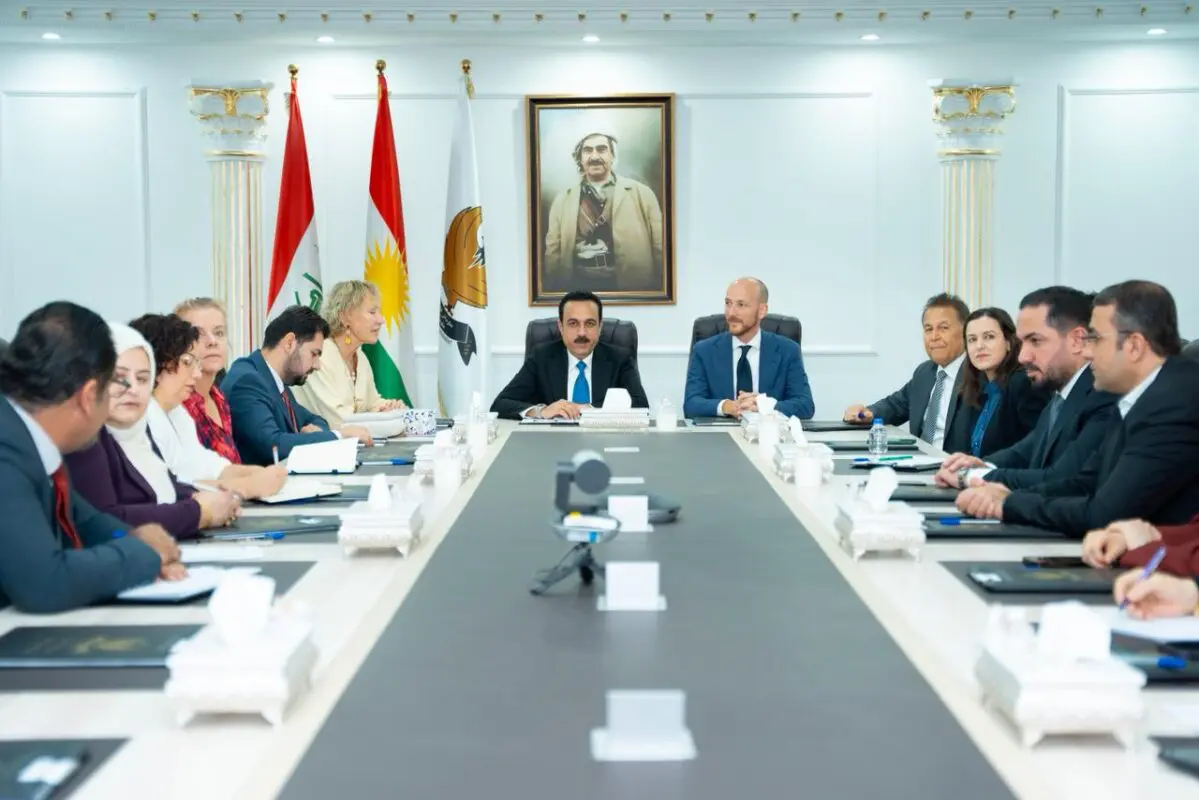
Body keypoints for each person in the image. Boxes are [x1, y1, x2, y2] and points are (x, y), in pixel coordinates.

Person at [956, 280, 1199, 536]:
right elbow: (1084, 482)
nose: (1088, 352)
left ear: (1134, 346)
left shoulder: (1173, 405)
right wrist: (1005, 496)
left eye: (1095, 339)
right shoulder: (1138, 397)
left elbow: (1104, 513)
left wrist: (1008, 504)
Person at [0, 302, 182, 612]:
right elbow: (46, 583)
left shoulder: (32, 438)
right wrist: (143, 555)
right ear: (88, 397)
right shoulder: (7, 450)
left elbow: (86, 519)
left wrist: (131, 537)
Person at [64, 323, 241, 540]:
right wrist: (200, 512)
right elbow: (107, 521)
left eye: (142, 379)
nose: (133, 389)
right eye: (119, 377)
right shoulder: (84, 440)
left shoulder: (137, 430)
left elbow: (164, 485)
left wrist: (210, 499)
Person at [936, 287, 1118, 491]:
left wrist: (972, 477)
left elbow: (1063, 479)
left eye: (1035, 341)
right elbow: (1027, 449)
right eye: (1022, 342)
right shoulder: (1061, 395)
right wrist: (983, 464)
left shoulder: (1102, 395)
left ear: (1077, 340)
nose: (1023, 357)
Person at [132, 313, 286, 499]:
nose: (197, 374)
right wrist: (247, 486)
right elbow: (175, 490)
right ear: (159, 362)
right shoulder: (141, 420)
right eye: (187, 362)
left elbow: (207, 465)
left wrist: (257, 473)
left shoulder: (177, 412)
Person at [222, 305, 373, 465]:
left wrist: (316, 433)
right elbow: (273, 445)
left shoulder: (275, 380)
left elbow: (315, 419)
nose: (317, 366)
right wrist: (339, 436)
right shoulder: (247, 381)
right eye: (314, 354)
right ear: (289, 343)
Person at [843, 293, 971, 452]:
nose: (934, 337)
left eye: (943, 328)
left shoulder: (978, 376)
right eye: (928, 329)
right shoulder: (925, 372)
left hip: (955, 463)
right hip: (919, 459)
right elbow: (895, 405)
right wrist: (866, 413)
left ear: (966, 332)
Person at [491, 290, 648, 420]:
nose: (582, 333)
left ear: (600, 327)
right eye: (573, 323)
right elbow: (501, 404)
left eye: (590, 323)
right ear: (561, 327)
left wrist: (587, 409)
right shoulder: (541, 357)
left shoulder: (619, 358)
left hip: (603, 439)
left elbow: (641, 406)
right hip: (554, 441)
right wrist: (541, 411)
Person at [543, 132, 664, 293]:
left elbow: (660, 247)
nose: (594, 156)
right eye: (587, 150)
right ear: (580, 158)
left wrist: (660, 289)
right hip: (577, 288)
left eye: (601, 149)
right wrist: (551, 290)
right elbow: (553, 252)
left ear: (612, 156)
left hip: (631, 286)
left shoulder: (642, 194)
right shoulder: (562, 199)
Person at [683, 278, 815, 420]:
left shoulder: (788, 350)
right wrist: (726, 406)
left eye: (741, 305)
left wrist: (763, 405)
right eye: (728, 303)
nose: (731, 313)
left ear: (762, 310)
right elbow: (691, 405)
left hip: (768, 431)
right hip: (721, 433)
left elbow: (805, 405)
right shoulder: (704, 351)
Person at [293, 280, 407, 428]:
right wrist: (385, 420)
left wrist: (390, 408)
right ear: (345, 316)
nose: (381, 320)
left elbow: (372, 403)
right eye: (372, 312)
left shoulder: (360, 357)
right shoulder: (319, 356)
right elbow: (338, 420)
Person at [956, 307, 1048, 459]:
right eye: (972, 339)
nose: (979, 346)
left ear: (1008, 343)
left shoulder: (1022, 382)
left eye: (989, 337)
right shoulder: (977, 386)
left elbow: (1035, 450)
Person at [175, 297, 241, 464]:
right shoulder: (178, 404)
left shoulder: (219, 398)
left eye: (219, 333)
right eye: (197, 334)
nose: (212, 342)